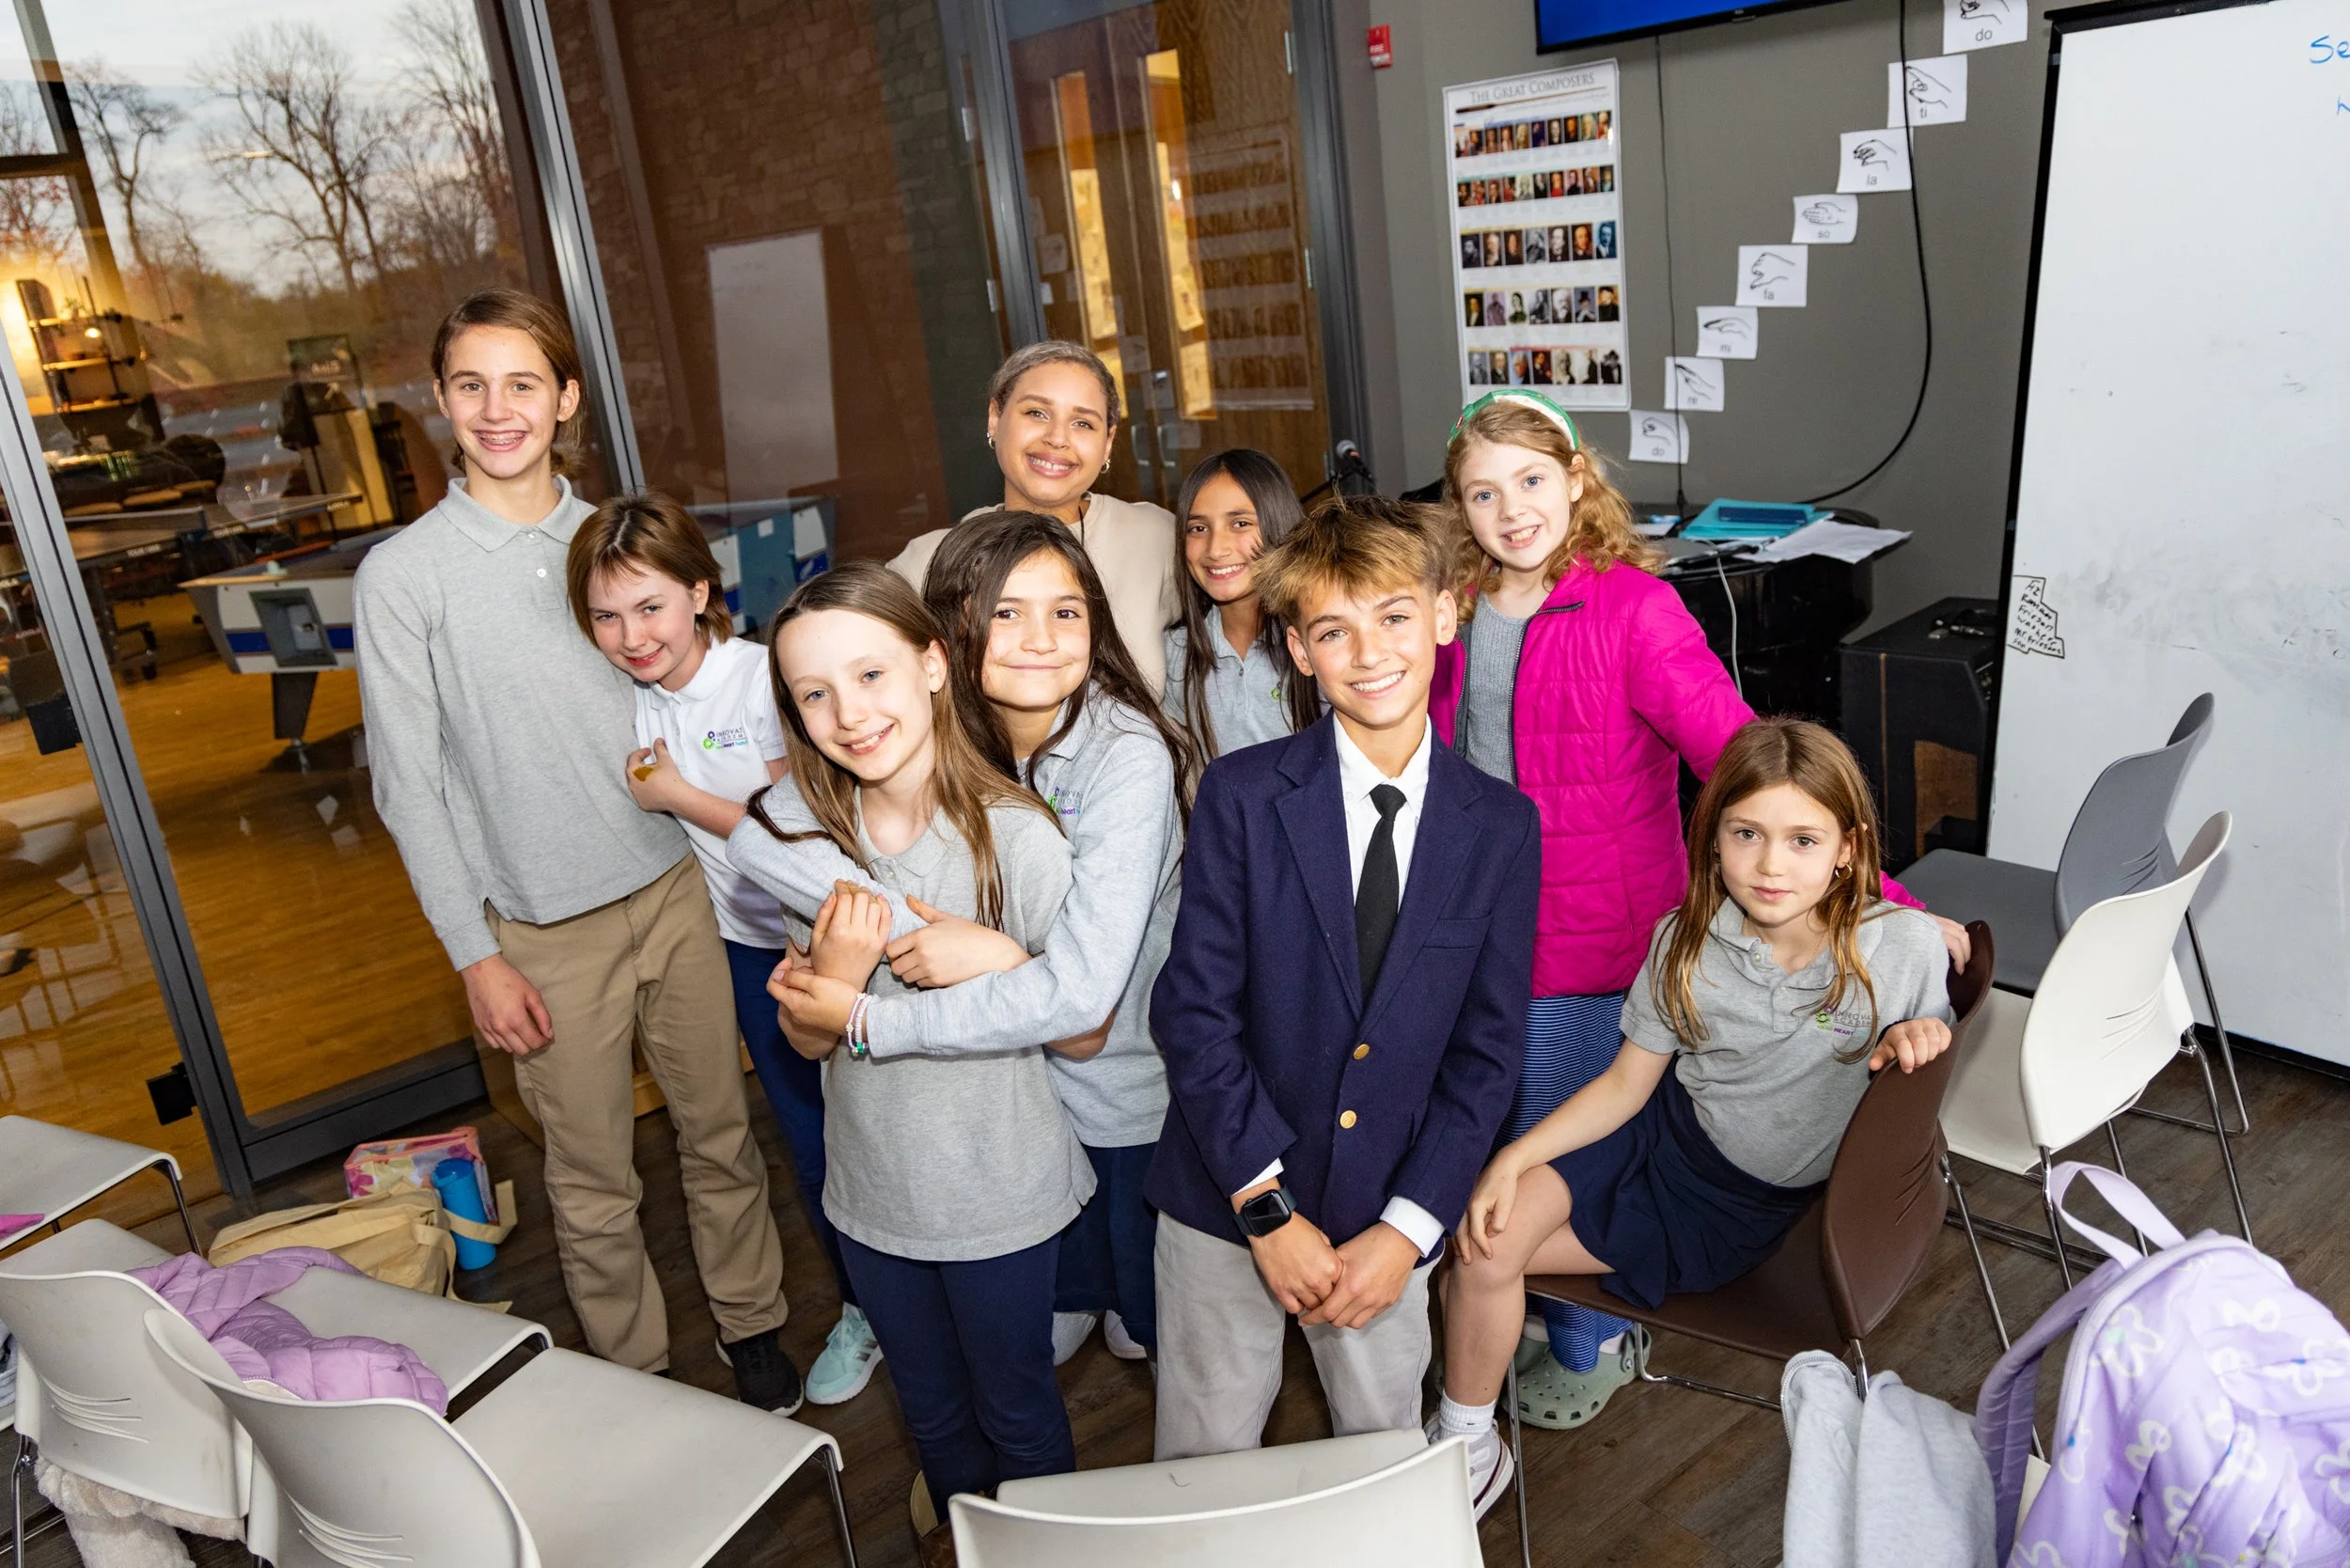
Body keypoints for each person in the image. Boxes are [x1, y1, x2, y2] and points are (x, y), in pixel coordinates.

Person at [1433, 389, 1957, 1432]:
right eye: (1483, 492)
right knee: (1515, 1146)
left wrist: (1884, 902)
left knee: (1551, 1134)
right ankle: (1527, 1318)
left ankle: (1590, 1343)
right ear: (1458, 506)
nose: (1512, 510)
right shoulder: (1454, 612)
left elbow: (1745, 764)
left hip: (1599, 949)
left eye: (1533, 480)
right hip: (1490, 936)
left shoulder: (1632, 608)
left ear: (1576, 479)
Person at [354, 288, 795, 1405]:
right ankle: (635, 1379)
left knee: (721, 1138)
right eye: (469, 385)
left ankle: (754, 1326)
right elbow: (412, 788)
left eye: (521, 384)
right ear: (441, 403)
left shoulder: (612, 547)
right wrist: (475, 953)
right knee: (594, 1180)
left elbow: (705, 683)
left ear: (566, 398)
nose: (497, 410)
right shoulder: (405, 578)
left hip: (676, 893)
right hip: (539, 934)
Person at [1432, 716, 1952, 1513]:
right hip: (1657, 1132)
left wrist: (1924, 1031)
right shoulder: (1682, 940)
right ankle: (1466, 1445)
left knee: (1483, 1257)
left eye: (1803, 840)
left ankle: (1486, 1394)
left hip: (1725, 1205)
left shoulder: (1905, 948)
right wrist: (1509, 1159)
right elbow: (1624, 1088)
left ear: (1848, 847)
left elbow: (1933, 1037)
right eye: (1747, 833)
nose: (1771, 865)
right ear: (1712, 838)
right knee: (1481, 1240)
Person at [1146, 494, 1539, 1461]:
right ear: (1297, 650)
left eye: (1394, 617)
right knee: (1203, 1457)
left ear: (1445, 616)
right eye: (1334, 629)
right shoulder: (1241, 796)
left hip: (1384, 1217)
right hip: (1225, 1200)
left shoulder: (1500, 827)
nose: (1369, 654)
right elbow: (1192, 1014)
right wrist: (1267, 1211)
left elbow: (1485, 1057)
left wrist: (1406, 1233)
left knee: (1380, 1457)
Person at [765, 514, 1196, 1376]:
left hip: (1117, 1092)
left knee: (1147, 1327)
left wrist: (996, 959)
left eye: (1066, 613)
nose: (1039, 640)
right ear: (950, 634)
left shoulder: (1126, 754)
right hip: (1016, 1105)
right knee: (1042, 1322)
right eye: (1007, 614)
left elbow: (1083, 1013)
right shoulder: (943, 736)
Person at [728, 562, 1091, 1557]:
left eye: (871, 674)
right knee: (930, 1415)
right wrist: (836, 977)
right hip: (873, 1192)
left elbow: (1086, 1029)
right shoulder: (807, 843)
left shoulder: (1019, 840)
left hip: (998, 1196)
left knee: (1017, 1412)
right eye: (814, 693)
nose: (849, 712)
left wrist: (1004, 961)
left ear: (933, 665)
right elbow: (803, 1041)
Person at [566, 491, 880, 1406]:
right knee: (809, 1147)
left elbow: (806, 830)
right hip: (743, 953)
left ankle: (928, 1305)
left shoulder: (761, 679)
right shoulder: (626, 699)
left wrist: (675, 795)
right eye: (607, 615)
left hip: (837, 942)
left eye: (651, 605)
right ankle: (865, 1311)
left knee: (874, 1136)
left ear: (701, 591)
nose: (632, 634)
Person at [889, 341, 1181, 697]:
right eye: (1037, 413)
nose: (1057, 438)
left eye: (1083, 423)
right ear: (995, 417)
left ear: (1107, 442)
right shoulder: (927, 562)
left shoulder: (1156, 539)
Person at [1163, 449, 1323, 760]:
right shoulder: (1176, 653)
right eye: (1198, 528)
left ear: (1278, 523)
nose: (1216, 549)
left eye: (1240, 523)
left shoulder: (1320, 640)